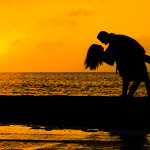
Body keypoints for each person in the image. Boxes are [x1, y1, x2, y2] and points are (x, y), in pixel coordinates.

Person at [85, 43, 150, 97]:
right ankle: (127, 95)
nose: (101, 45)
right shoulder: (104, 54)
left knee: (136, 80)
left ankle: (127, 95)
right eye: (99, 46)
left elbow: (111, 62)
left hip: (126, 63)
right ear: (97, 50)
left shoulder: (104, 54)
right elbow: (111, 61)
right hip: (125, 63)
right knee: (137, 79)